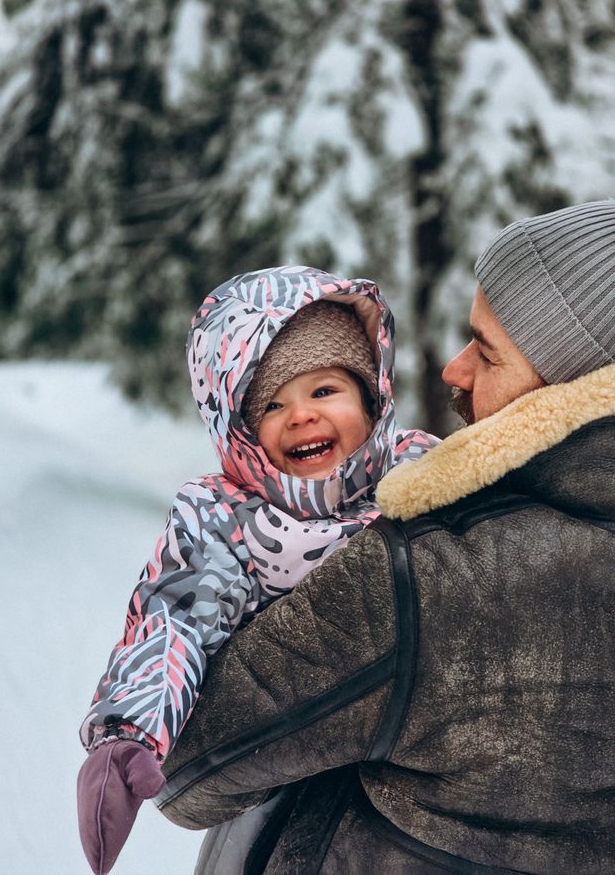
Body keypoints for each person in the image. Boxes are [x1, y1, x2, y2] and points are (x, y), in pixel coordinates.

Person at [153, 196, 615, 874]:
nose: (453, 370)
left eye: (487, 352)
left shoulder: (429, 576)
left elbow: (188, 769)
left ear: (573, 383)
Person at [76, 265, 437, 875]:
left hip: (413, 773)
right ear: (238, 431)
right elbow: (172, 620)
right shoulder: (224, 518)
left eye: (324, 391)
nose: (301, 415)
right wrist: (126, 732)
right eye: (271, 403)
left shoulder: (423, 473)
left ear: (371, 398)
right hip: (280, 790)